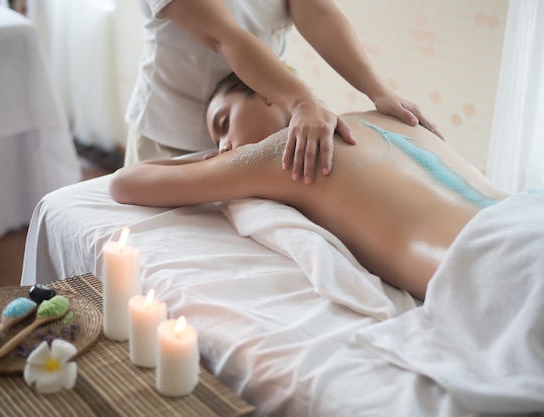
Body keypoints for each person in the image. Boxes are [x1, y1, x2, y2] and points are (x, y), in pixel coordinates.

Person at [110, 73, 509, 300]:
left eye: (223, 123)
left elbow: (125, 183)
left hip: (487, 265)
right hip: (531, 212)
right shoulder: (389, 116)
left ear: (268, 92)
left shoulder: (283, 153)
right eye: (217, 143)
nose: (223, 146)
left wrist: (208, 163)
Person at [124, 0, 444, 184]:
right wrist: (302, 101)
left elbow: (316, 12)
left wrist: (378, 90)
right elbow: (225, 35)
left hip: (259, 132)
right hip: (171, 132)